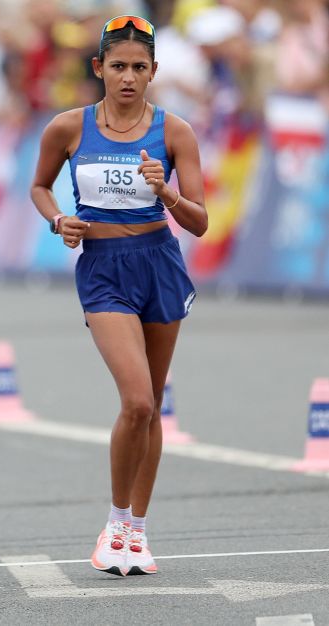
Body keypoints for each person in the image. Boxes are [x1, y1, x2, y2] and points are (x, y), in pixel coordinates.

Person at [30, 15, 208, 577]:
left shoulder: (175, 133)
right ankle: (113, 521)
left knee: (151, 407)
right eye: (117, 67)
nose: (128, 78)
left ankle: (137, 531)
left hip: (159, 264)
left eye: (138, 68)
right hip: (103, 270)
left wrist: (168, 193)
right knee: (135, 400)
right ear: (98, 69)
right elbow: (37, 186)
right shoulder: (68, 128)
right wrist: (59, 220)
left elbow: (200, 222)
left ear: (154, 71)